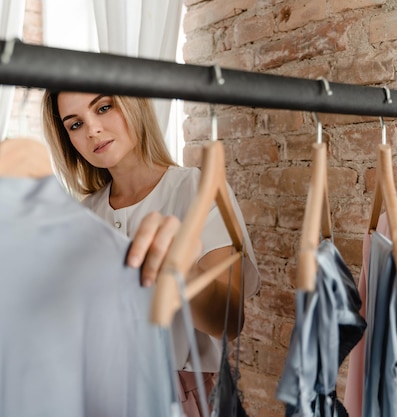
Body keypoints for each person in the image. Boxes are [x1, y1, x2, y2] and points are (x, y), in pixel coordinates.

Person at [41, 91, 260, 416]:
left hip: (177, 395)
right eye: (75, 125)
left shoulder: (198, 191)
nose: (92, 130)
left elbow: (229, 321)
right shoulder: (82, 216)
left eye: (103, 108)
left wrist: (181, 273)